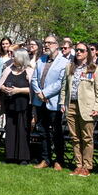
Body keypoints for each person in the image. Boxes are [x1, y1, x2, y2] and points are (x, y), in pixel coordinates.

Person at [62, 44, 98, 177]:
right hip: (71, 105)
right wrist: (62, 103)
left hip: (87, 107)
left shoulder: (95, 69)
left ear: (88, 53)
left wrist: (97, 108)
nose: (78, 52)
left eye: (82, 50)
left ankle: (87, 166)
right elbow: (64, 88)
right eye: (77, 50)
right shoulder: (70, 67)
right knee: (75, 137)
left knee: (86, 137)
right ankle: (78, 165)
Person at [30, 35, 70, 171]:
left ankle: (59, 160)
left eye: (50, 43)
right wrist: (39, 93)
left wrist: (45, 93)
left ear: (57, 45)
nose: (46, 45)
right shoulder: (41, 60)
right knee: (42, 131)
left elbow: (61, 82)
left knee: (56, 132)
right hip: (40, 102)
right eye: (45, 42)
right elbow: (34, 78)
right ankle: (45, 159)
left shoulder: (64, 62)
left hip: (54, 102)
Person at [0, 49, 33, 164]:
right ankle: (10, 156)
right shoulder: (9, 69)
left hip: (24, 106)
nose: (13, 59)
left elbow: (33, 90)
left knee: (22, 131)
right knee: (10, 130)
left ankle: (23, 157)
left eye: (15, 57)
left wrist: (18, 90)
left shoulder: (29, 72)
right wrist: (3, 88)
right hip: (10, 105)